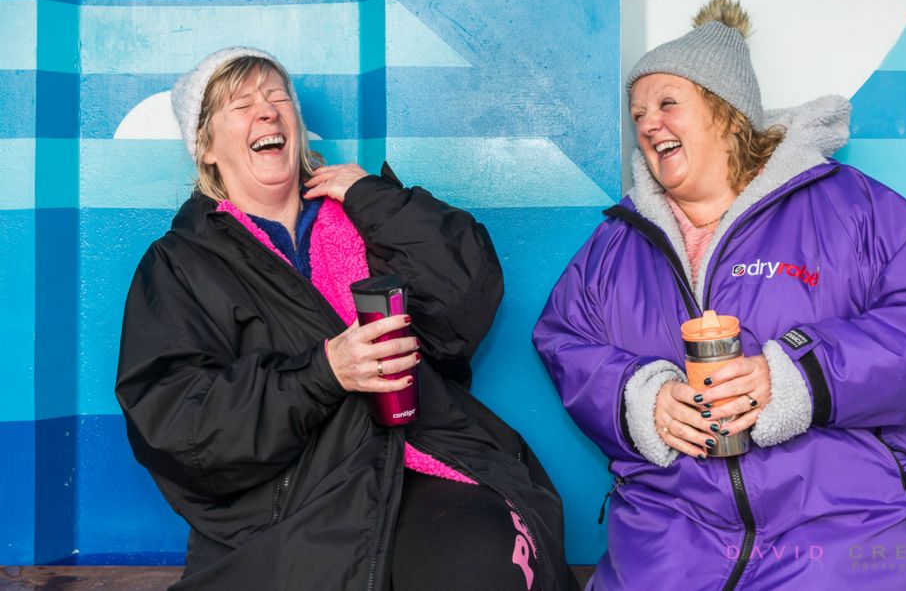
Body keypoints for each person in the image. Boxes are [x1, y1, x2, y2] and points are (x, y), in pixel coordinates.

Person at [533, 0, 906, 590]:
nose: (646, 124)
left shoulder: (855, 209)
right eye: (637, 113)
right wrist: (642, 398)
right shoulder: (617, 242)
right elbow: (563, 338)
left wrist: (799, 375)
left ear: (726, 112)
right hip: (674, 529)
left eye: (667, 103)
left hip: (847, 524)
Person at [115, 47, 575, 590]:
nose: (267, 112)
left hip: (418, 459)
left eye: (277, 97)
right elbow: (179, 427)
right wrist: (324, 373)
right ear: (207, 148)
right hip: (287, 505)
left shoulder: (362, 220)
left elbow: (467, 295)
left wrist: (372, 198)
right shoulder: (179, 264)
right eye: (241, 105)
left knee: (489, 560)